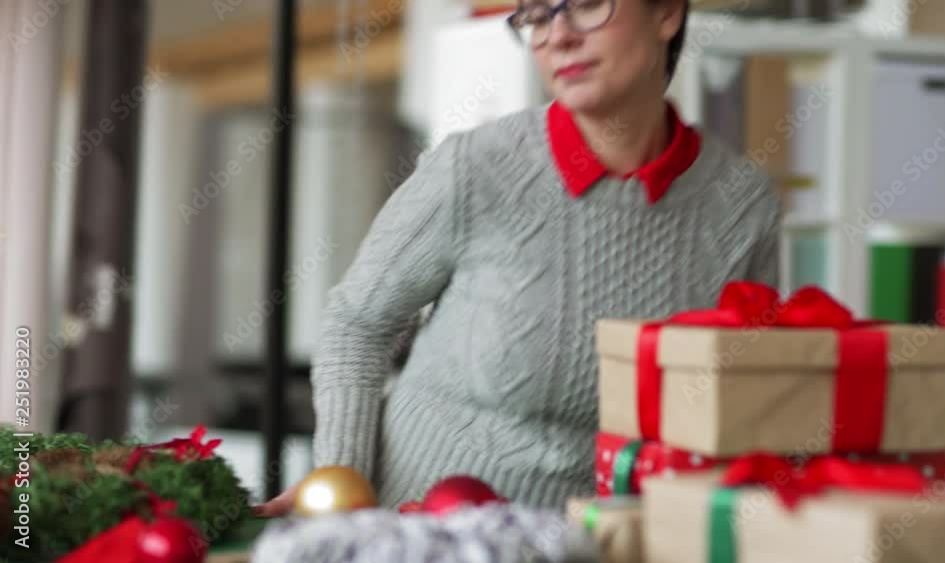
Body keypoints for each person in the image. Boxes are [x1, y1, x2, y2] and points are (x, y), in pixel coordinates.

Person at [256, 0, 780, 515]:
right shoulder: (474, 168)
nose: (558, 35)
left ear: (667, 12)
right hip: (417, 531)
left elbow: (742, 401)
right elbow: (357, 323)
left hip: (600, 544)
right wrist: (342, 486)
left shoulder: (741, 206)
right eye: (536, 14)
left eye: (586, 4)